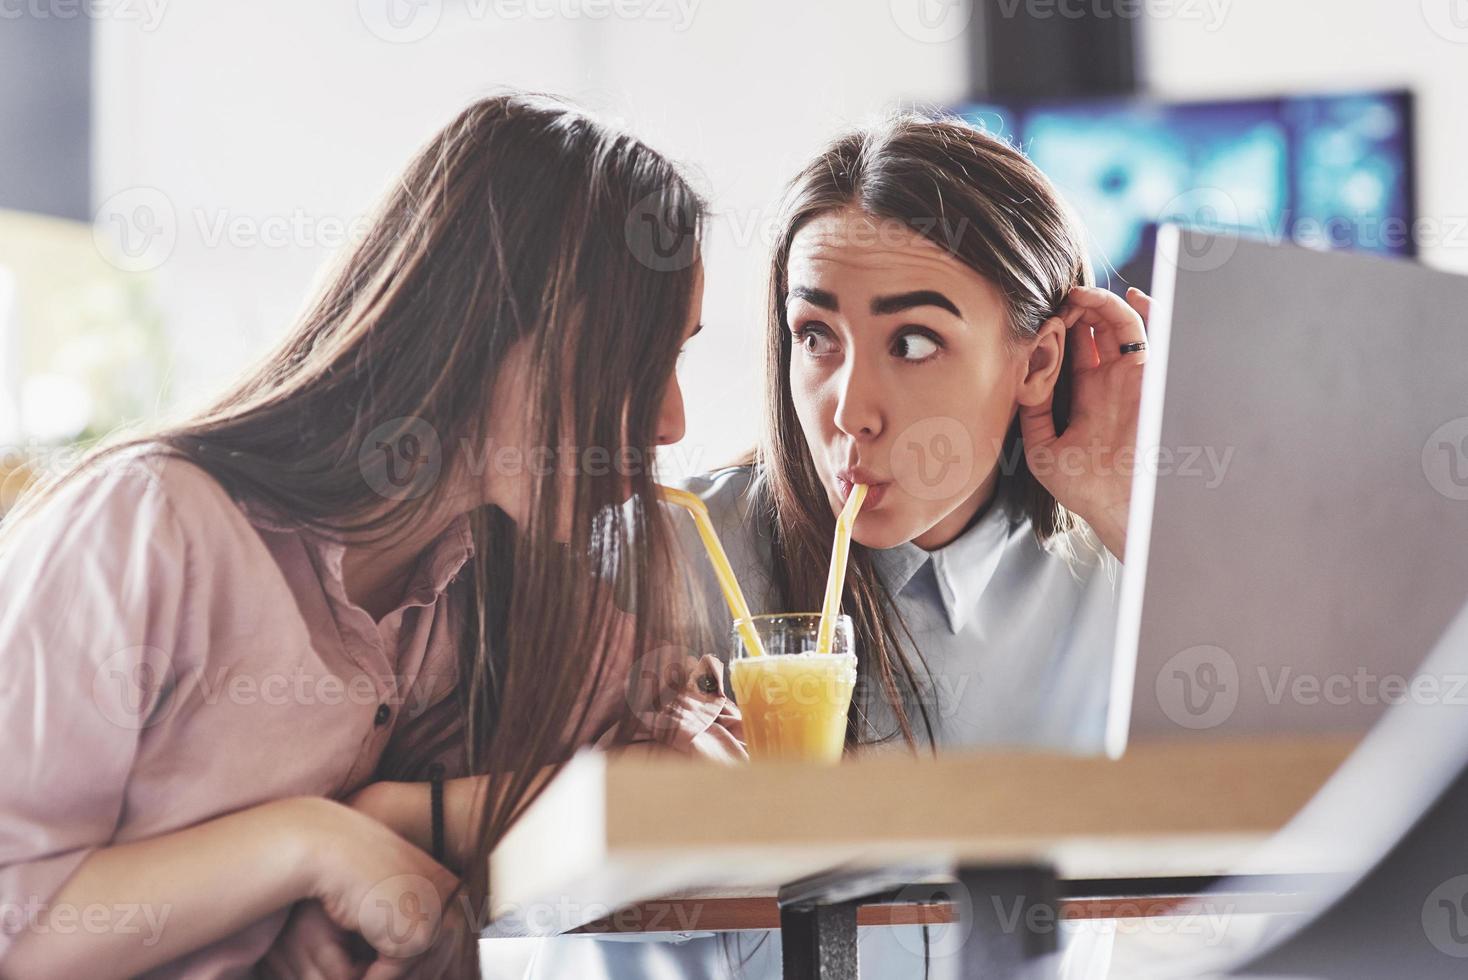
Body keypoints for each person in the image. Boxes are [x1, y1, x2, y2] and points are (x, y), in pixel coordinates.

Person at [0, 92, 741, 980]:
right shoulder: (148, 530)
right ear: (486, 322)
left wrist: (394, 815)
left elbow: (682, 766)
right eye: (636, 355)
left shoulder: (479, 576)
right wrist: (306, 844)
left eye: (678, 358)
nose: (671, 420)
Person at [527, 111, 1149, 979]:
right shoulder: (656, 560)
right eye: (816, 336)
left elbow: (1341, 804)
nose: (851, 409)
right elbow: (502, 895)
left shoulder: (1120, 580)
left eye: (915, 342)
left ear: (1039, 363)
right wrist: (629, 806)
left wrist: (1135, 516)